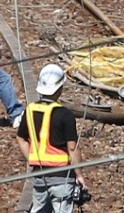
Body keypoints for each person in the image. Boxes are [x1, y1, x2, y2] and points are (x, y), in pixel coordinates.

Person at [16, 63, 86, 213]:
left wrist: (32, 158)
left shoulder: (30, 110)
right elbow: (72, 148)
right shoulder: (65, 115)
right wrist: (79, 175)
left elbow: (21, 138)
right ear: (60, 88)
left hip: (39, 176)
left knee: (39, 209)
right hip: (62, 177)